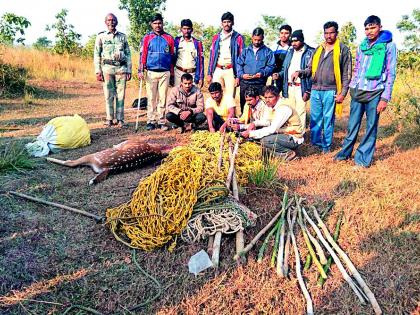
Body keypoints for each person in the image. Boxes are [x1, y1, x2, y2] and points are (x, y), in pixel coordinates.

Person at [335, 15, 397, 167]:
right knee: (352, 125)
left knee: (370, 127)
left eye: (372, 28)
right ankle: (344, 154)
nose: (369, 31)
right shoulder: (362, 46)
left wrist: (384, 98)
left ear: (380, 27)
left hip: (375, 92)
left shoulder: (389, 46)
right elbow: (357, 68)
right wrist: (351, 87)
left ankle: (362, 160)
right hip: (358, 90)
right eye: (367, 28)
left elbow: (391, 72)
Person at [293, 21, 352, 153]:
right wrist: (299, 72)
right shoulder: (318, 49)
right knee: (315, 118)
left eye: (331, 32)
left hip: (330, 90)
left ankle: (326, 146)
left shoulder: (343, 50)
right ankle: (316, 144)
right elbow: (309, 69)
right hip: (315, 89)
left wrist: (342, 93)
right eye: (326, 33)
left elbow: (347, 75)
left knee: (328, 119)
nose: (328, 35)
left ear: (337, 33)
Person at [240, 85, 304, 161]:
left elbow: (272, 129)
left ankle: (289, 154)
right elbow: (268, 122)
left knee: (265, 140)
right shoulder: (273, 106)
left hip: (293, 136)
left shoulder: (283, 108)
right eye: (266, 97)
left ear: (278, 97)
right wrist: (254, 124)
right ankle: (280, 154)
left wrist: (250, 133)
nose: (267, 100)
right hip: (283, 134)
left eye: (271, 97)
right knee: (260, 140)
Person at [94, 13, 131, 128]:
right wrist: (98, 71)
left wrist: (129, 70)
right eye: (109, 20)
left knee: (121, 95)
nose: (111, 22)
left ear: (116, 22)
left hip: (121, 68)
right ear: (106, 22)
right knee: (108, 95)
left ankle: (120, 119)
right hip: (107, 69)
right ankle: (109, 118)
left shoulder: (123, 37)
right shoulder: (101, 36)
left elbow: (128, 54)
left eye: (113, 20)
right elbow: (96, 54)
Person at [138, 13, 175, 131]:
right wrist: (140, 70)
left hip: (165, 72)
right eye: (155, 23)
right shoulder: (147, 38)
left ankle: (161, 121)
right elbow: (142, 55)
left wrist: (172, 73)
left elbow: (172, 57)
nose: (157, 25)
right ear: (151, 24)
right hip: (151, 72)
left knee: (163, 98)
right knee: (151, 98)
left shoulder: (169, 38)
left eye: (159, 23)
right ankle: (151, 120)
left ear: (163, 23)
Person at [278, 30, 314, 131]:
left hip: (301, 86)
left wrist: (308, 90)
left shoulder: (310, 52)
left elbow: (312, 72)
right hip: (289, 86)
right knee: (290, 111)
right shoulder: (290, 52)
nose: (293, 43)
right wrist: (278, 75)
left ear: (302, 40)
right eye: (292, 41)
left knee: (300, 111)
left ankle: (300, 134)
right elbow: (284, 70)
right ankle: (292, 132)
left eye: (296, 41)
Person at [207, 12, 245, 99]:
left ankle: (229, 113)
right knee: (215, 94)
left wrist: (238, 76)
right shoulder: (216, 37)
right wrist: (209, 73)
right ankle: (217, 113)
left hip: (231, 70)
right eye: (224, 22)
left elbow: (241, 58)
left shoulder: (238, 38)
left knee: (230, 96)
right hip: (218, 68)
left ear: (233, 23)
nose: (226, 24)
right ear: (221, 23)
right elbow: (212, 56)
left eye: (228, 22)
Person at [237, 27, 275, 112]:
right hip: (245, 83)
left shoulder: (268, 52)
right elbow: (239, 64)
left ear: (263, 38)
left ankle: (257, 123)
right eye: (255, 39)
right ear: (252, 37)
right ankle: (245, 122)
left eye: (259, 40)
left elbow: (271, 66)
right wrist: (242, 75)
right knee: (245, 105)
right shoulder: (245, 51)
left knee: (259, 106)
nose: (257, 42)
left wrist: (262, 73)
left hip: (259, 84)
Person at [174, 19, 204, 88]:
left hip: (192, 74)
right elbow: (172, 58)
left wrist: (201, 77)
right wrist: (172, 74)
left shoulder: (197, 43)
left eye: (188, 29)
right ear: (181, 29)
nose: (186, 31)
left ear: (192, 29)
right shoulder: (177, 41)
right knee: (178, 96)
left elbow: (201, 61)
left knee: (192, 96)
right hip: (179, 73)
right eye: (184, 29)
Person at [271, 24, 292, 92]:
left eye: (286, 33)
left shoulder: (292, 47)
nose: (283, 35)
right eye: (282, 33)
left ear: (290, 34)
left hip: (288, 77)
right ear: (279, 34)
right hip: (275, 77)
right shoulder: (273, 47)